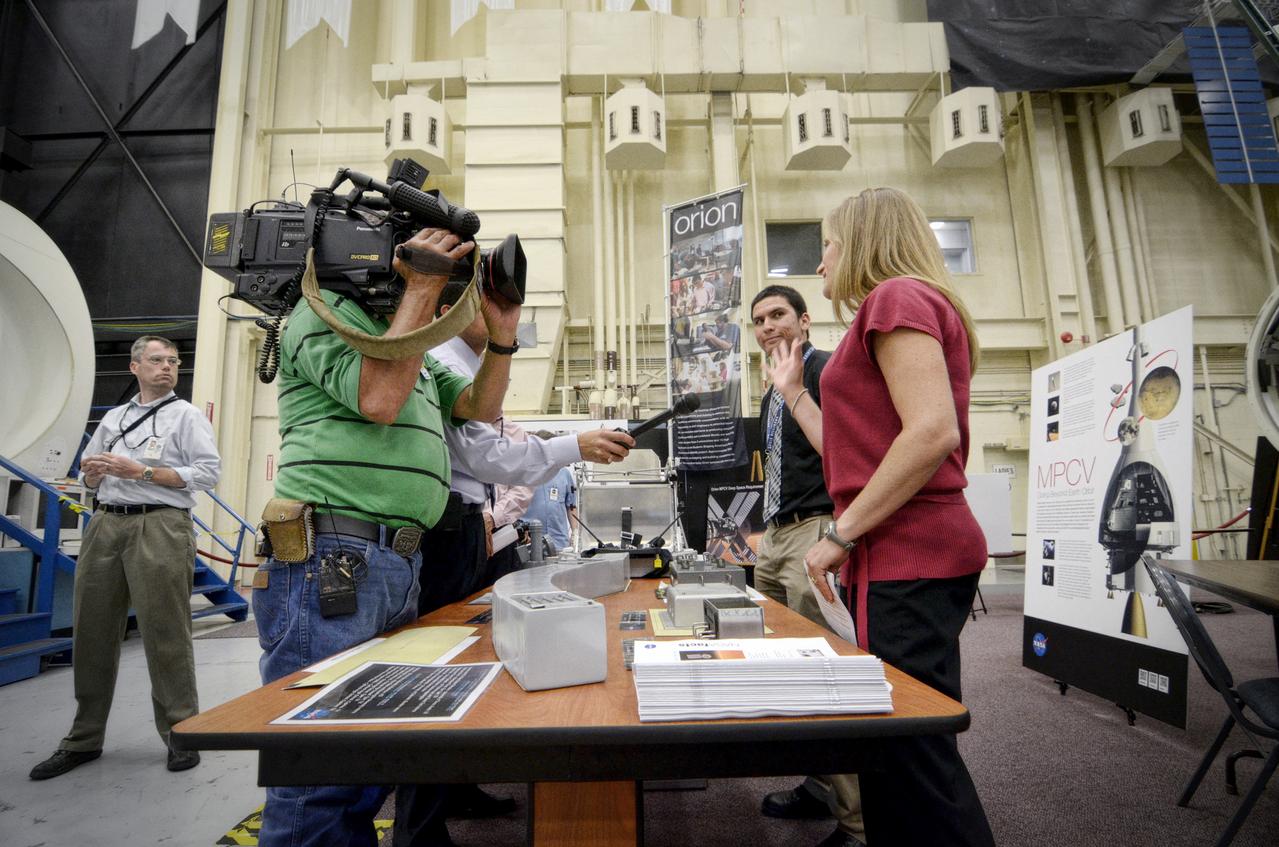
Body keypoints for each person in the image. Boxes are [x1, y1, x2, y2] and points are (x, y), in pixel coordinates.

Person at [249, 227, 519, 847]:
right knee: (321, 774)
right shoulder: (324, 314)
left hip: (392, 566)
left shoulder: (411, 351)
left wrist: (501, 335)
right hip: (332, 561)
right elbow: (377, 398)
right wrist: (422, 290)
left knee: (367, 762)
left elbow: (479, 407)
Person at [769, 187, 994, 847]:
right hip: (897, 550)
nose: (819, 264)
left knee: (911, 755)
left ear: (862, 240)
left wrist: (841, 531)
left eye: (827, 245)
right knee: (896, 752)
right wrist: (792, 394)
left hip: (909, 548)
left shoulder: (894, 297)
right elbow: (848, 448)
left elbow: (929, 433)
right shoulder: (897, 306)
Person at [394, 283, 634, 840]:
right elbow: (487, 454)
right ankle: (421, 830)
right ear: (452, 308)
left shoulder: (465, 365)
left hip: (466, 528)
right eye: (491, 302)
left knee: (468, 662)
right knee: (439, 671)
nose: (508, 317)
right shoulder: (438, 360)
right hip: (447, 530)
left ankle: (453, 790)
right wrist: (574, 444)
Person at [29, 336, 220, 780]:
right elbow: (86, 471)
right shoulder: (114, 418)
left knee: (165, 631)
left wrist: (144, 471)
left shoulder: (186, 417)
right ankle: (83, 738)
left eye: (173, 361)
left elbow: (208, 473)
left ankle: (181, 734)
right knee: (92, 630)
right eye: (157, 360)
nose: (167, 367)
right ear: (135, 367)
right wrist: (91, 475)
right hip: (106, 524)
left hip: (160, 525)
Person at [749, 286, 863, 844]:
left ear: (805, 320)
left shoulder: (823, 371)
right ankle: (822, 785)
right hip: (776, 536)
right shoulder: (775, 385)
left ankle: (859, 825)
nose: (768, 326)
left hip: (815, 531)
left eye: (778, 315)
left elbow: (841, 449)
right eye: (759, 321)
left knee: (822, 673)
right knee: (789, 670)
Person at [522, 463, 578, 551]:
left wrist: (575, 532)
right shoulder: (524, 473)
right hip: (530, 540)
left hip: (559, 541)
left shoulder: (564, 473)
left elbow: (571, 506)